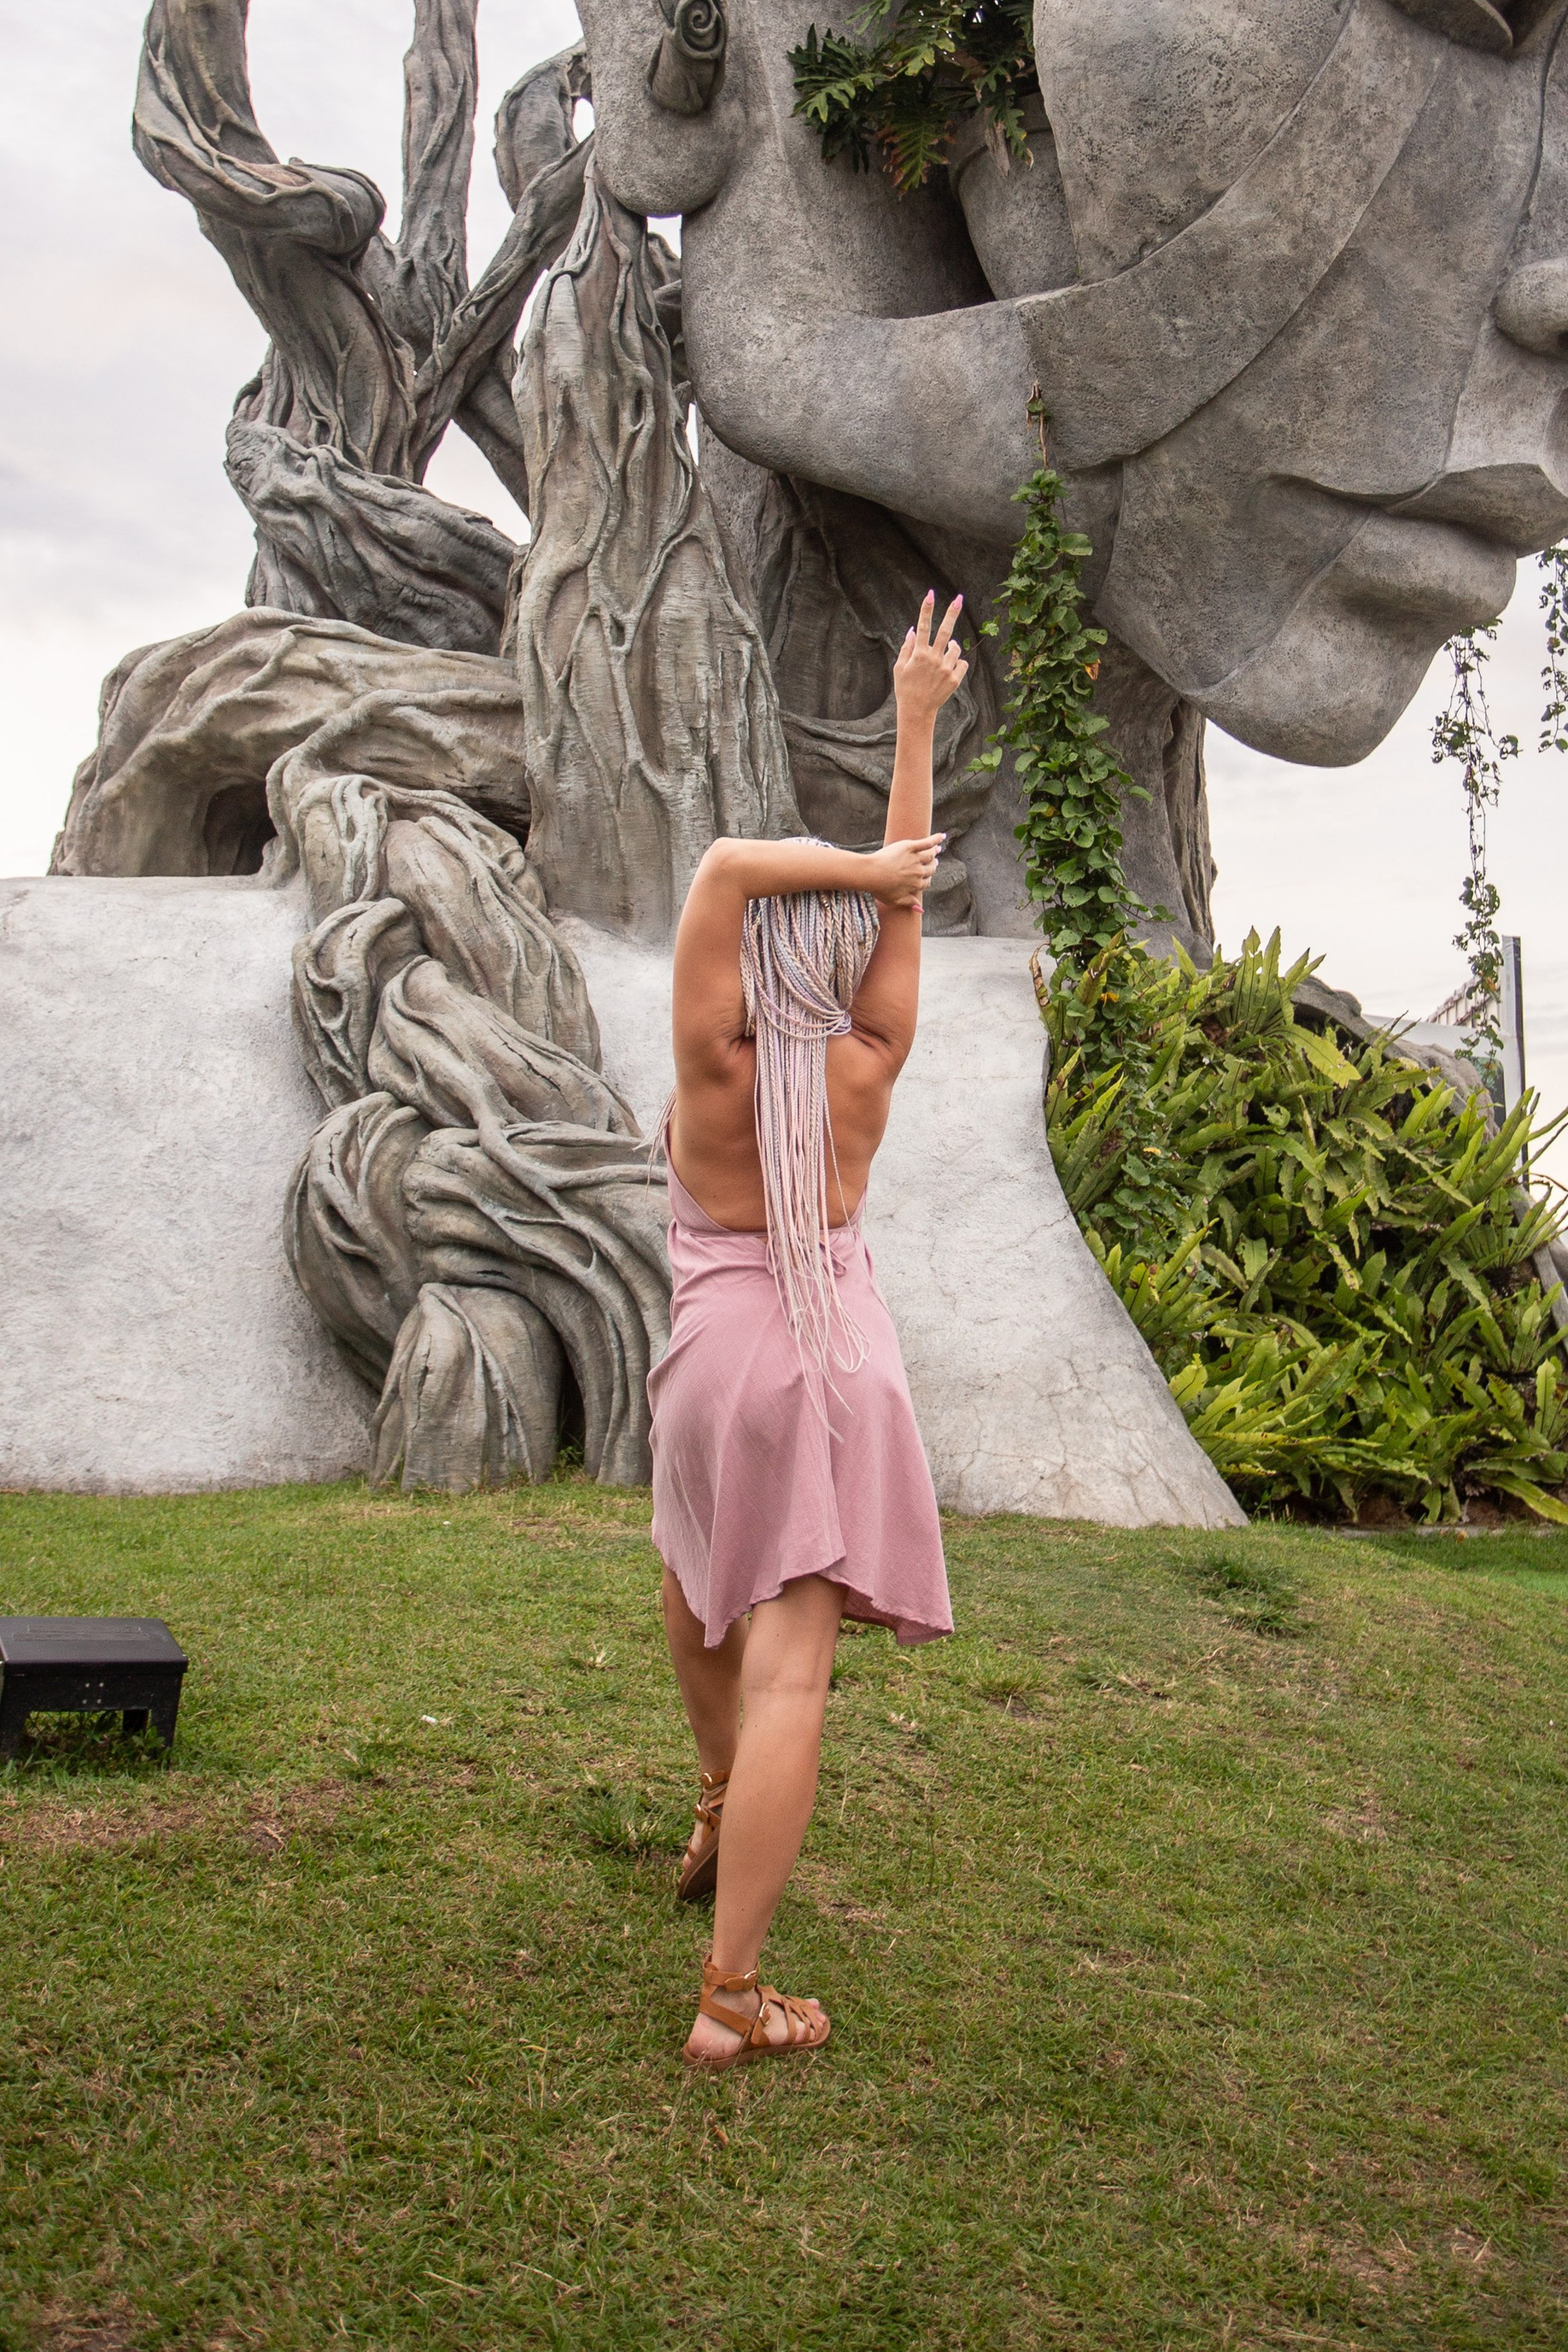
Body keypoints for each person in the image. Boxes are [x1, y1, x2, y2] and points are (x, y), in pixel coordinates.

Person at [651, 592, 969, 2066]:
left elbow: (723, 864)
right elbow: (900, 903)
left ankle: (719, 1798)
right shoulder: (872, 1053)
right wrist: (917, 721)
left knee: (688, 1562)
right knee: (794, 1672)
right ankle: (732, 1994)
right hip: (836, 1362)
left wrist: (849, 858)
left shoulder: (716, 1061)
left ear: (742, 964)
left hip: (714, 1350)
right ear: (839, 972)